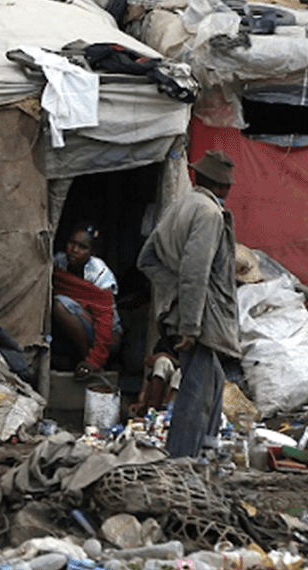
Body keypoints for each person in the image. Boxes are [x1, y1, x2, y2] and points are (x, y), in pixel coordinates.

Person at [137, 150, 241, 458]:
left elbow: (147, 259)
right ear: (224, 188)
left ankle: (205, 452)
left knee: (214, 383)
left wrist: (175, 290)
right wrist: (191, 325)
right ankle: (182, 460)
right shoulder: (209, 214)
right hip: (202, 315)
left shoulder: (179, 206)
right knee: (196, 393)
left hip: (188, 307)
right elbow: (196, 271)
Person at [51, 221, 122, 380]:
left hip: (108, 336)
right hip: (84, 325)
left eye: (82, 247)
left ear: (92, 251)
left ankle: (86, 359)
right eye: (72, 243)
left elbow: (105, 319)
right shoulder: (59, 263)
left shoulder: (98, 272)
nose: (74, 250)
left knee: (60, 305)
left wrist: (94, 360)